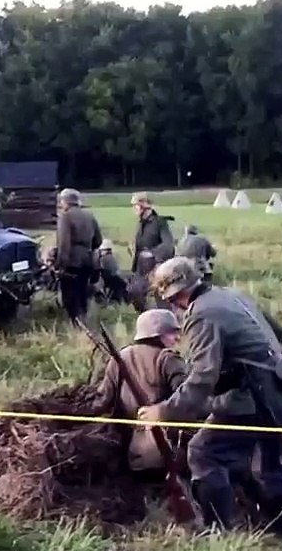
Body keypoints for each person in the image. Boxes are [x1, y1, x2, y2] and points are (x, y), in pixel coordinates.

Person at [136, 257, 282, 542]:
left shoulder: (201, 314)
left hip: (251, 398)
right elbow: (280, 335)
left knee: (204, 452)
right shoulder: (230, 295)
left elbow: (203, 377)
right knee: (270, 465)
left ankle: (218, 534)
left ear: (174, 293)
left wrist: (164, 411)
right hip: (279, 393)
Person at [94, 309, 188, 474]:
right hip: (163, 448)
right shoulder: (168, 358)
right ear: (156, 334)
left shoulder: (120, 357)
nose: (177, 338)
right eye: (172, 333)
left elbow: (103, 401)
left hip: (127, 448)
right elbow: (187, 400)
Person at [54, 187, 102, 323]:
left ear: (65, 201)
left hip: (72, 261)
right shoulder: (89, 215)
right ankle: (83, 319)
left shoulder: (65, 216)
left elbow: (64, 243)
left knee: (70, 296)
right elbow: (98, 240)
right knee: (82, 293)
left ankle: (76, 324)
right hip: (87, 260)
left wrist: (61, 264)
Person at [130, 192, 175, 272]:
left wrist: (151, 254)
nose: (133, 208)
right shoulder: (141, 224)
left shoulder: (160, 223)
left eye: (135, 205)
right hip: (140, 271)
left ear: (144, 205)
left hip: (155, 270)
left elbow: (168, 245)